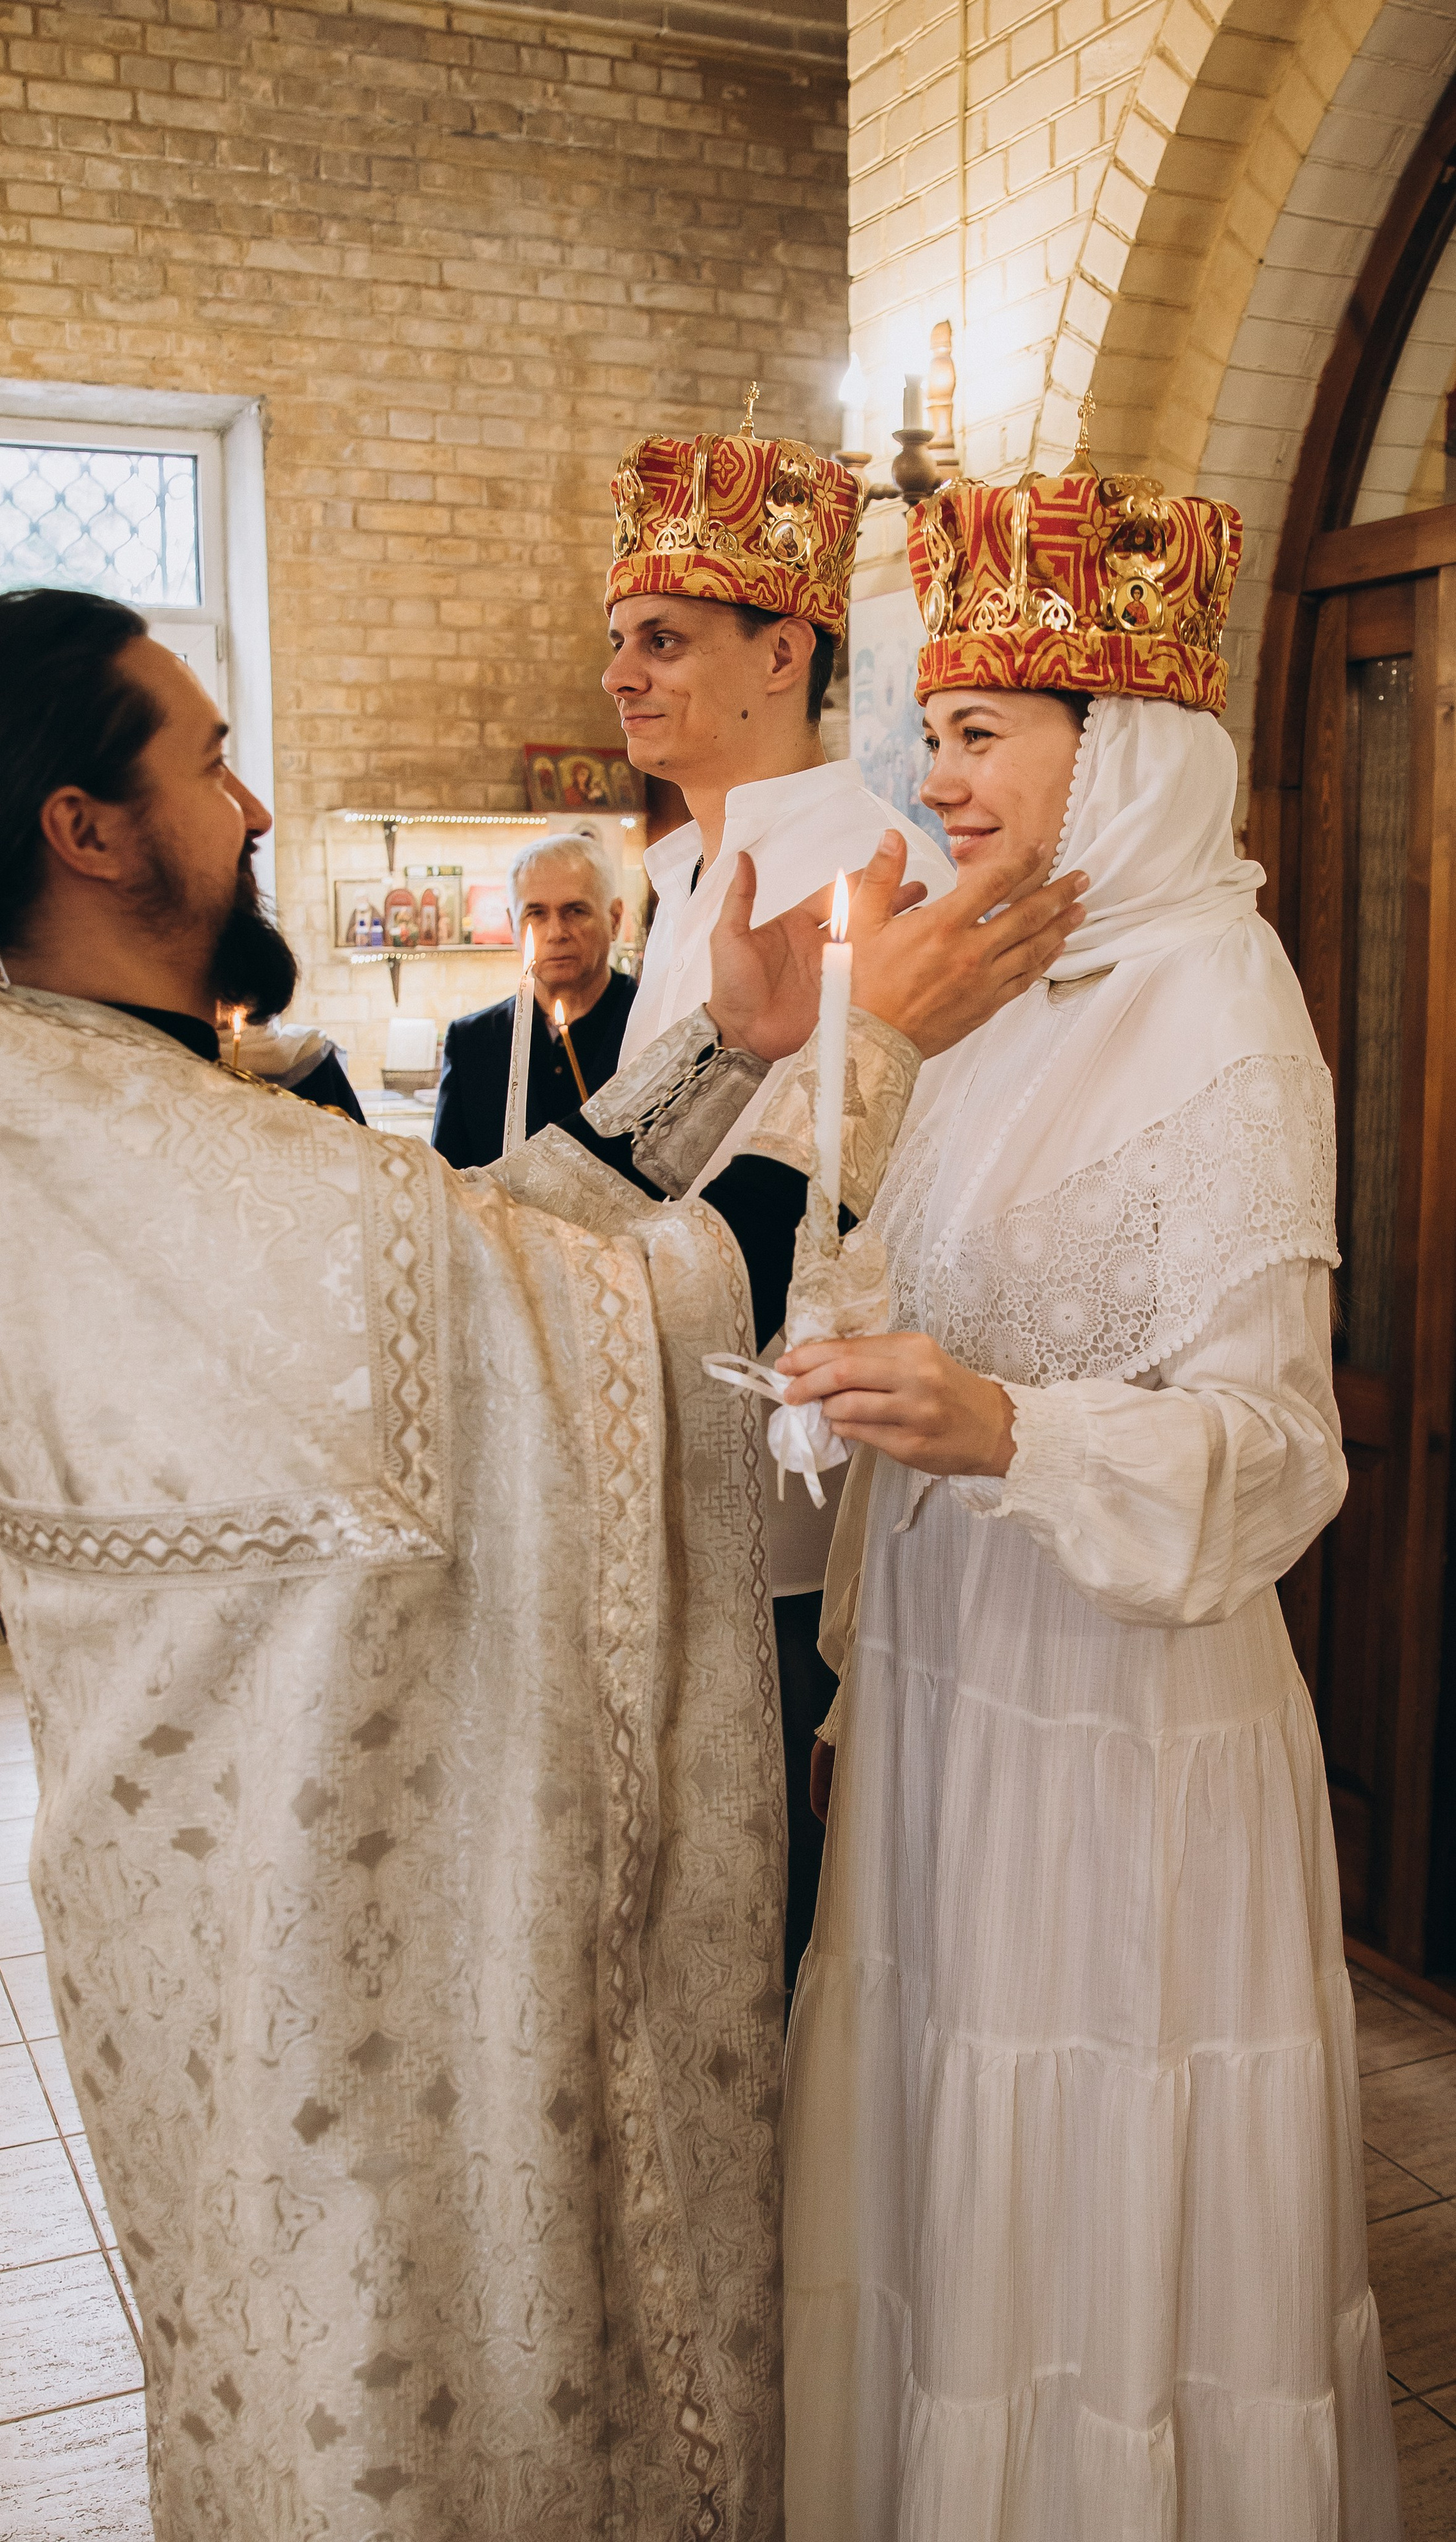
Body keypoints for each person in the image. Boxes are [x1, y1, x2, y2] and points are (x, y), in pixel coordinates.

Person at [0, 585, 1084, 2542]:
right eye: (208, 758)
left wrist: (725, 1060)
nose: (251, 801)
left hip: (255, 1887)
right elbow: (577, 1339)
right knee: (386, 2400)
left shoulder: (84, 1094)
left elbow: (455, 1261)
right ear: (86, 825)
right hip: (315, 1928)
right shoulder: (128, 1136)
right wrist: (861, 1059)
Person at [775, 427, 1402, 2537]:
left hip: (1118, 1732)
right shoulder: (992, 997)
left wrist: (1005, 1426)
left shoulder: (1223, 1010)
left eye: (980, 735)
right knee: (951, 2202)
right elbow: (922, 1274)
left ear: (1120, 747)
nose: (936, 783)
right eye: (929, 735)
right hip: (963, 1698)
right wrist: (849, 1353)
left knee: (1091, 2236)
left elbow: (1275, 1450)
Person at [605, 403, 957, 1991]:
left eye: (664, 637)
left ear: (782, 650)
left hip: (786, 1494)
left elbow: (877, 1197)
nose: (622, 671)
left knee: (772, 1928)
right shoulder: (684, 863)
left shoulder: (871, 867)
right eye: (618, 639)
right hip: (647, 1443)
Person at [430, 828, 634, 1169]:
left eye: (576, 911)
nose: (556, 932)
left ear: (614, 920)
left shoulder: (656, 1023)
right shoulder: (472, 1043)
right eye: (536, 913)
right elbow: (450, 1183)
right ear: (513, 925)